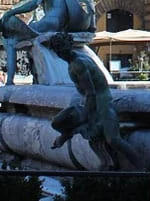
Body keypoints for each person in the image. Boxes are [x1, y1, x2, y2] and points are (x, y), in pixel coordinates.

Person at [46, 32, 140, 170]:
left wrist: (88, 116)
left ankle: (143, 170)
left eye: (61, 50)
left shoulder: (78, 64)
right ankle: (108, 163)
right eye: (58, 50)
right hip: (95, 101)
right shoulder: (79, 59)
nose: (60, 53)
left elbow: (91, 93)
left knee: (113, 139)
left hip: (101, 103)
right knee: (60, 123)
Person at [0, 0, 97, 84]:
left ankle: (9, 82)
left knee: (10, 41)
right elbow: (89, 1)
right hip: (60, 26)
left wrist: (11, 12)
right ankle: (34, 76)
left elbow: (34, 4)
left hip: (50, 24)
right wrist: (92, 26)